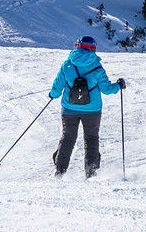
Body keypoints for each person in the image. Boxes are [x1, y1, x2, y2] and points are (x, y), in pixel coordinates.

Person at [48, 34, 125, 179]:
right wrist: (119, 85)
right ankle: (91, 174)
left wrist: (53, 94)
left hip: (69, 108)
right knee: (91, 139)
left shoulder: (68, 65)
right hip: (92, 110)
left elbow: (57, 86)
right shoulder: (96, 67)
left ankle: (59, 171)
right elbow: (106, 89)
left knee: (68, 138)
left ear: (77, 46)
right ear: (93, 49)